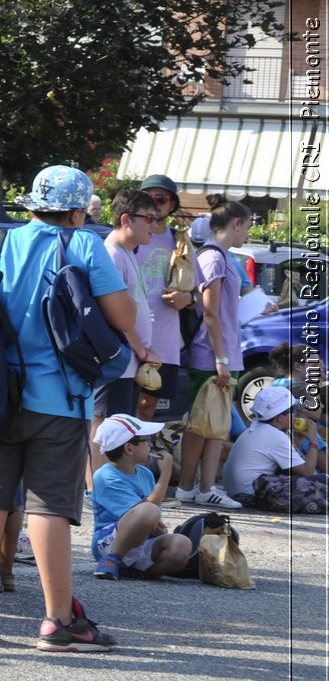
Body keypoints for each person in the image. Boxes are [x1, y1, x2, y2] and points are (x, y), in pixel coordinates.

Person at [0, 165, 136, 652]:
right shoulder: (84, 245)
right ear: (76, 211)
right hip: (61, 399)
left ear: (30, 203)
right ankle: (56, 621)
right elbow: (123, 316)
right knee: (49, 506)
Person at [175, 198, 251, 509]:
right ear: (236, 224)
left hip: (224, 352)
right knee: (201, 425)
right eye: (247, 226)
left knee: (214, 425)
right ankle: (189, 485)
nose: (247, 232)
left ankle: (204, 487)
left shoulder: (220, 257)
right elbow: (210, 312)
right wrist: (220, 359)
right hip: (212, 354)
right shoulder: (215, 258)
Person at [90, 189, 158, 472]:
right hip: (117, 356)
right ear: (127, 219)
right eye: (150, 219)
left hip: (128, 359)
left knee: (117, 423)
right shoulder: (112, 254)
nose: (155, 225)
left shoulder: (126, 253)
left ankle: (104, 484)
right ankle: (95, 486)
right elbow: (115, 312)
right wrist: (141, 348)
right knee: (105, 424)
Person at [90, 414, 191, 579]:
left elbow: (151, 509)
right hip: (110, 542)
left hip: (142, 540)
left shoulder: (145, 473)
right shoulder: (105, 476)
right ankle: (112, 560)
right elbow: (144, 509)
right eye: (147, 441)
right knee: (148, 511)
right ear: (129, 448)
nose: (151, 446)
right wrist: (166, 472)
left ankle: (137, 573)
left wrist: (157, 526)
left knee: (181, 545)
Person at [134, 175, 195, 423]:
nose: (154, 203)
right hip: (131, 337)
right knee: (121, 407)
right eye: (148, 197)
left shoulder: (180, 242)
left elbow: (201, 293)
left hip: (164, 342)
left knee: (148, 407)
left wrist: (187, 298)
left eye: (161, 198)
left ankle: (138, 458)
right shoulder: (128, 236)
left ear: (172, 205)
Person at [222, 385, 326, 503]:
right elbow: (307, 471)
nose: (295, 415)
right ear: (280, 418)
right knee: (323, 479)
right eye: (292, 410)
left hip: (237, 491)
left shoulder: (257, 428)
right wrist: (313, 440)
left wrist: (299, 438)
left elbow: (291, 465)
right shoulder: (275, 436)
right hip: (250, 494)